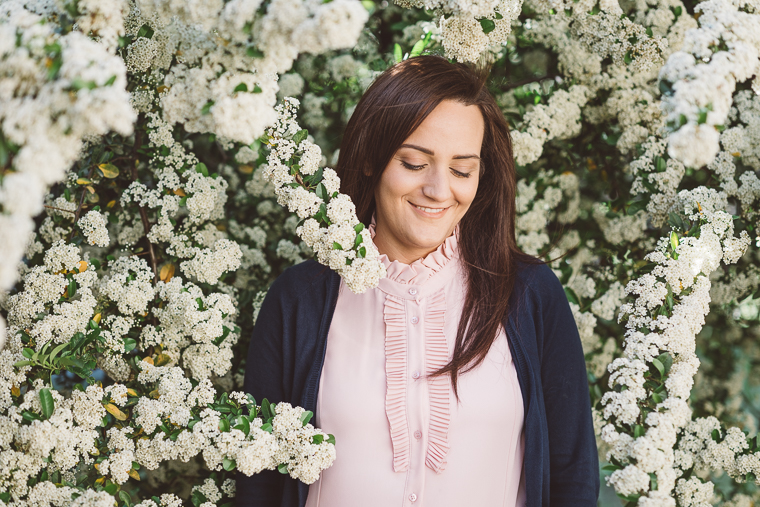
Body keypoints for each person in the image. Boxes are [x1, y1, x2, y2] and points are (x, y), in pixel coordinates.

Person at [237, 55, 599, 507]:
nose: (438, 189)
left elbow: (574, 476)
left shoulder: (529, 294)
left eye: (462, 169)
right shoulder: (300, 301)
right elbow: (259, 486)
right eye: (413, 163)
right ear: (371, 159)